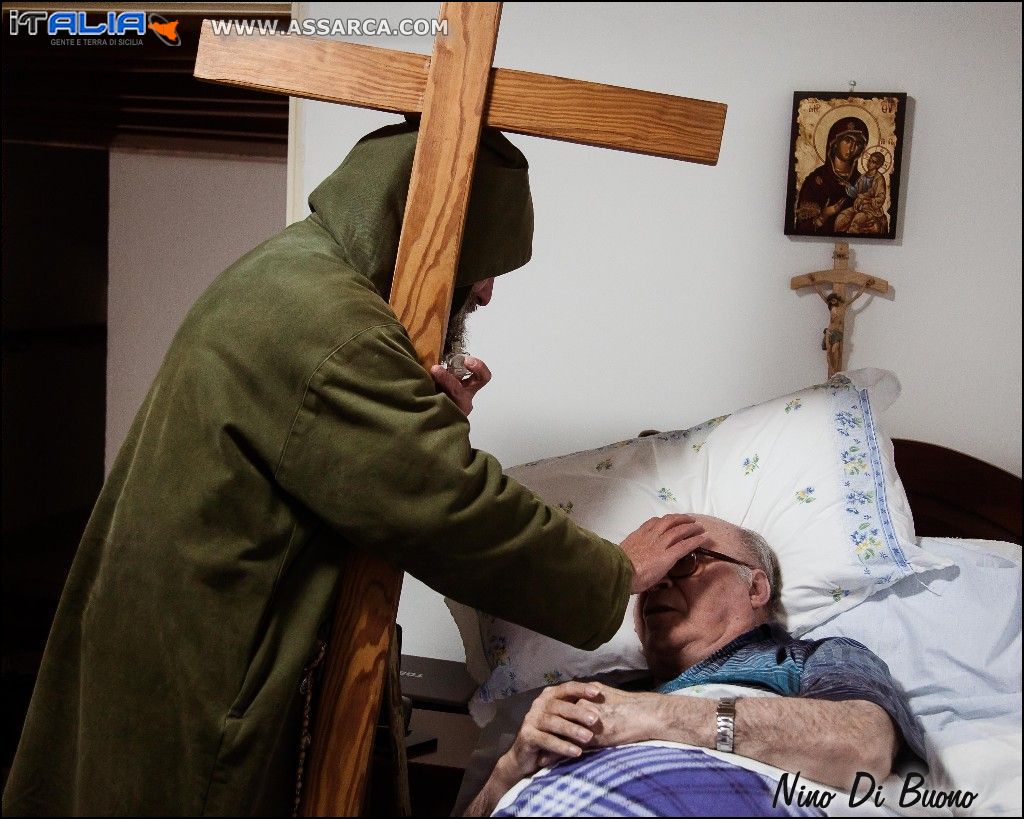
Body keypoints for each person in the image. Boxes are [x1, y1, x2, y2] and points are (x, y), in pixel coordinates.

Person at [1, 121, 705, 817]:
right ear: (419, 223)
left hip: (176, 644)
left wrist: (425, 423)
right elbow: (450, 506)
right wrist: (615, 569)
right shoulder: (331, 324)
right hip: (203, 675)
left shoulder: (297, 275)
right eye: (484, 259)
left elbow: (355, 464)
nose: (486, 291)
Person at [467, 514, 925, 817]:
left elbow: (864, 745)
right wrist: (512, 768)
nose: (659, 579)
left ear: (755, 588)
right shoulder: (594, 694)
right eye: (648, 573)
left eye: (686, 560)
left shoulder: (810, 659)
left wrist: (650, 716)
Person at [794, 116, 869, 234]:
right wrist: (824, 215)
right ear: (835, 142)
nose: (852, 147)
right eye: (848, 140)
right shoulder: (815, 181)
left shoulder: (862, 182)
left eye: (858, 143)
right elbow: (802, 227)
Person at [835, 150, 889, 235]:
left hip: (871, 210)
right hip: (858, 207)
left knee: (856, 221)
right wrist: (847, 185)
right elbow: (856, 192)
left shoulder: (879, 179)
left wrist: (867, 200)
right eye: (869, 160)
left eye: (873, 162)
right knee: (841, 218)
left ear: (878, 165)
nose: (869, 163)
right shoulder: (863, 177)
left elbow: (881, 198)